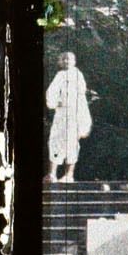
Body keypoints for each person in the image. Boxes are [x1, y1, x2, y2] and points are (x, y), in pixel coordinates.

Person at [46, 52, 93, 183]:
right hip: (62, 115)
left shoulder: (79, 76)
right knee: (55, 142)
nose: (67, 62)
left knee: (72, 145)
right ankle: (52, 174)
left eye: (69, 59)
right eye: (64, 59)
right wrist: (55, 103)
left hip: (76, 115)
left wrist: (84, 124)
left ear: (74, 61)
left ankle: (69, 175)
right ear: (61, 62)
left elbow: (82, 99)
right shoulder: (60, 75)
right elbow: (51, 92)